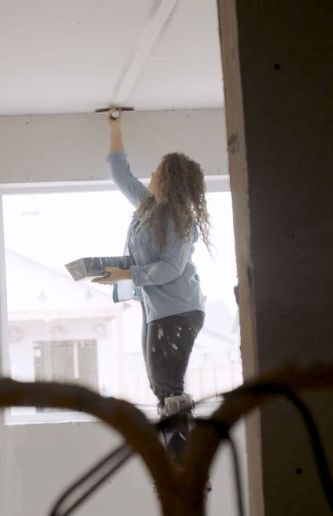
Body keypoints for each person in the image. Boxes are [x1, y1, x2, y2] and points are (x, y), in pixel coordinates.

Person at [92, 109, 210, 466]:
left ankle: (183, 463)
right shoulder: (149, 208)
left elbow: (171, 268)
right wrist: (116, 128)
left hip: (179, 309)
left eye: (159, 170)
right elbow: (120, 173)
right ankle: (178, 457)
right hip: (160, 309)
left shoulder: (178, 218)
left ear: (170, 181)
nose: (153, 173)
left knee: (168, 386)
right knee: (162, 386)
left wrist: (127, 275)